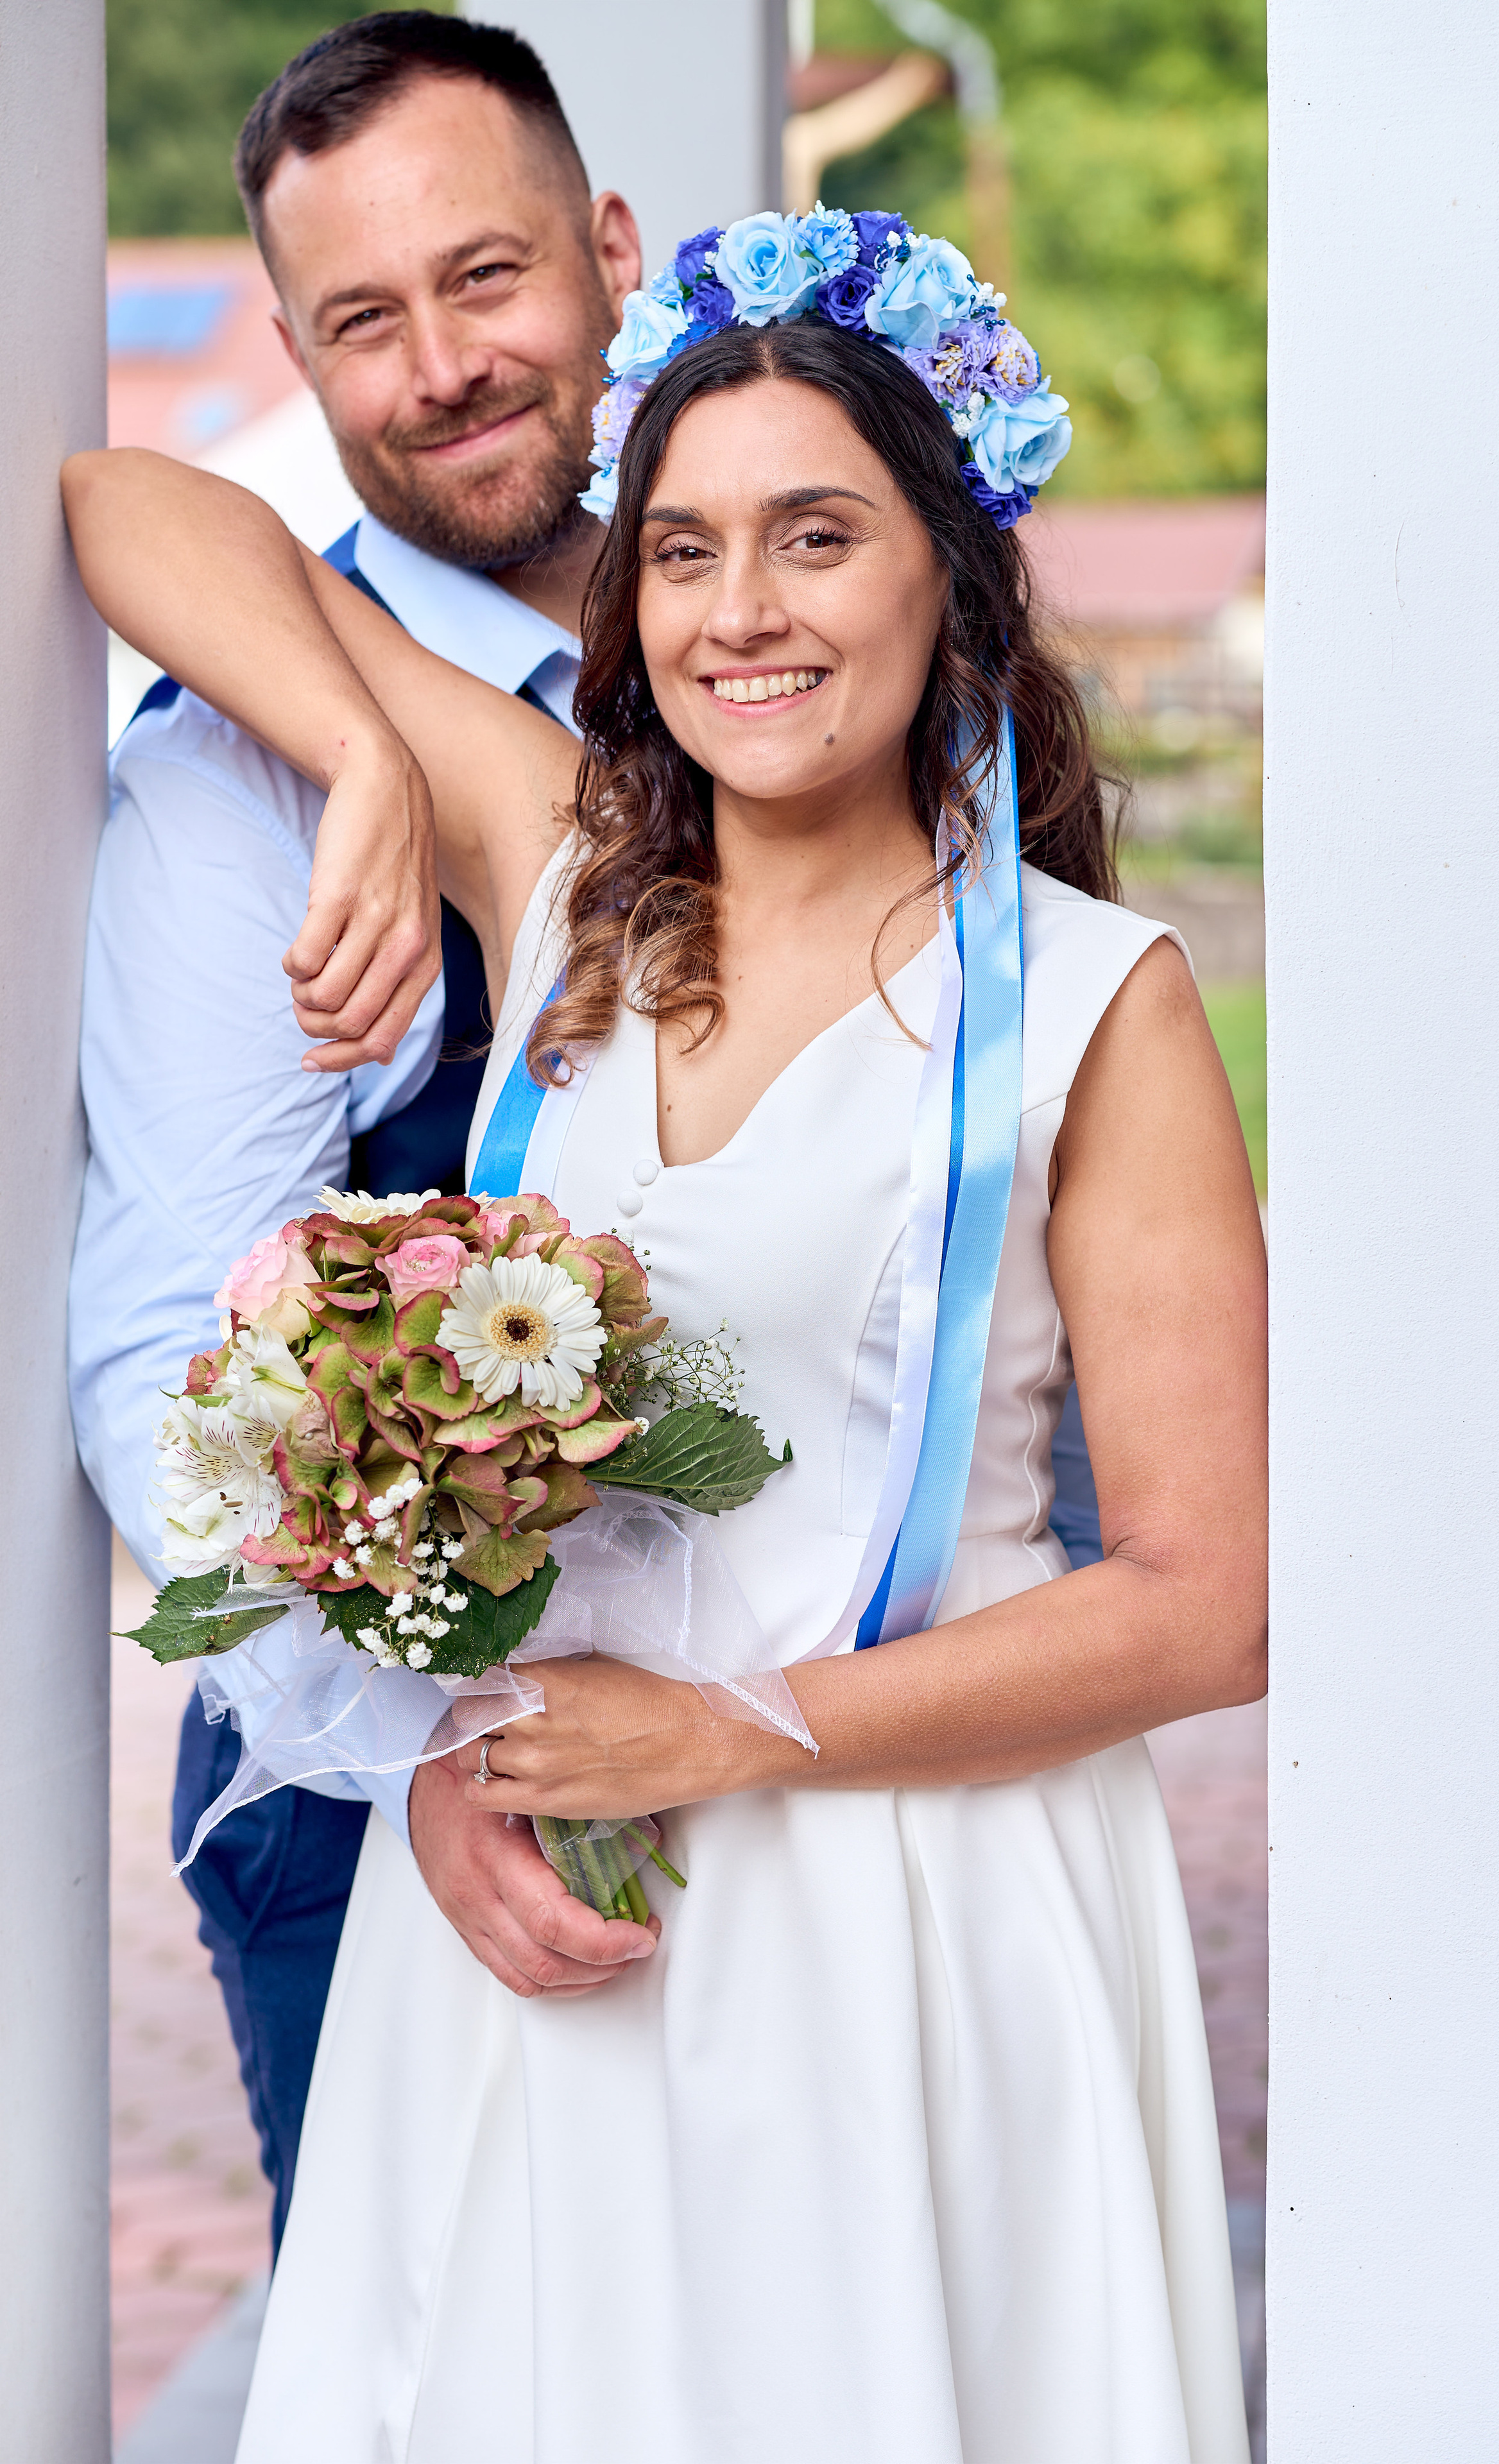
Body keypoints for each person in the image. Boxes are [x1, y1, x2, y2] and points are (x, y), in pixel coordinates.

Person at [66, 211, 1265, 2460]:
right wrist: (364, 752)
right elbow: (123, 503)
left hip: (905, 1902)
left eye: (820, 536)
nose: (745, 612)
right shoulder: (556, 891)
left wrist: (735, 1732)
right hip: (530, 1895)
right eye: (689, 547)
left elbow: (1216, 1605)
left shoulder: (1100, 1010)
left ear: (958, 579)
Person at [71, 11, 657, 2252]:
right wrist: (421, 1754)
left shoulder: (773, 641)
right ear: (305, 362)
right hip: (375, 1783)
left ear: (608, 255)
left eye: (487, 278)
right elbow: (158, 1354)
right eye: (361, 322)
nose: (442, 369)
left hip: (775, 1706)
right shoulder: (231, 782)